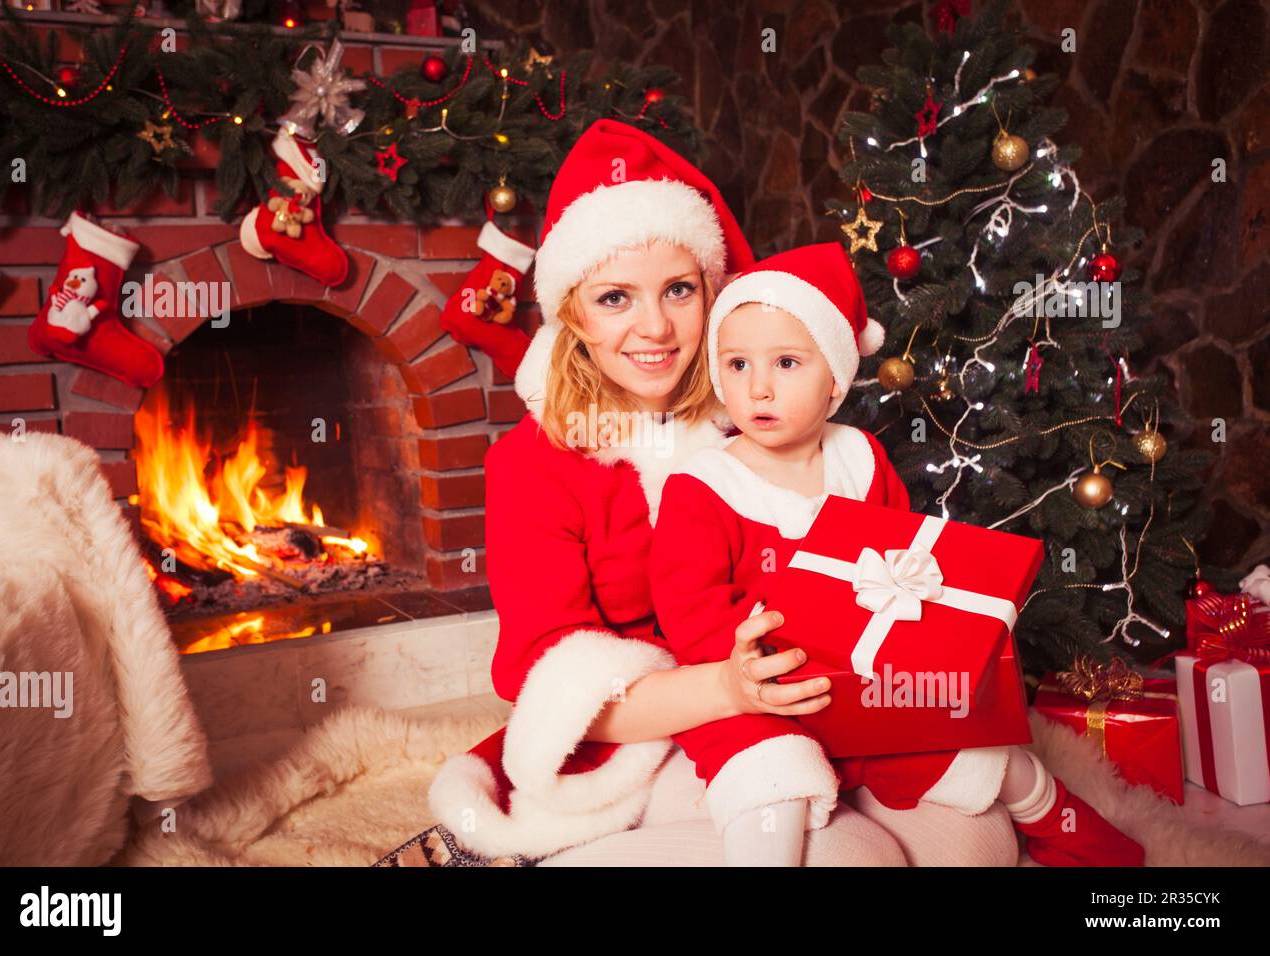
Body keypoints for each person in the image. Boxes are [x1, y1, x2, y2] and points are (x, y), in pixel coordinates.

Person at [414, 119, 1019, 867]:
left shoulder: (759, 416)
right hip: (647, 737)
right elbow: (557, 689)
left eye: (677, 289)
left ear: (714, 291)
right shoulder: (533, 465)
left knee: (979, 841)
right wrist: (730, 689)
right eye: (614, 299)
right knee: (851, 857)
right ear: (571, 314)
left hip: (802, 708)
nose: (656, 328)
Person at [647, 241, 1146, 867]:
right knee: (769, 780)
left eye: (786, 363)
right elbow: (687, 611)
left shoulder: (859, 458)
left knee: (984, 749)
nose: (760, 388)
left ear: (834, 378)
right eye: (738, 365)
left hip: (862, 682)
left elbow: (907, 565)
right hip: (760, 693)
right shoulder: (705, 486)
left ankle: (1073, 834)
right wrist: (744, 664)